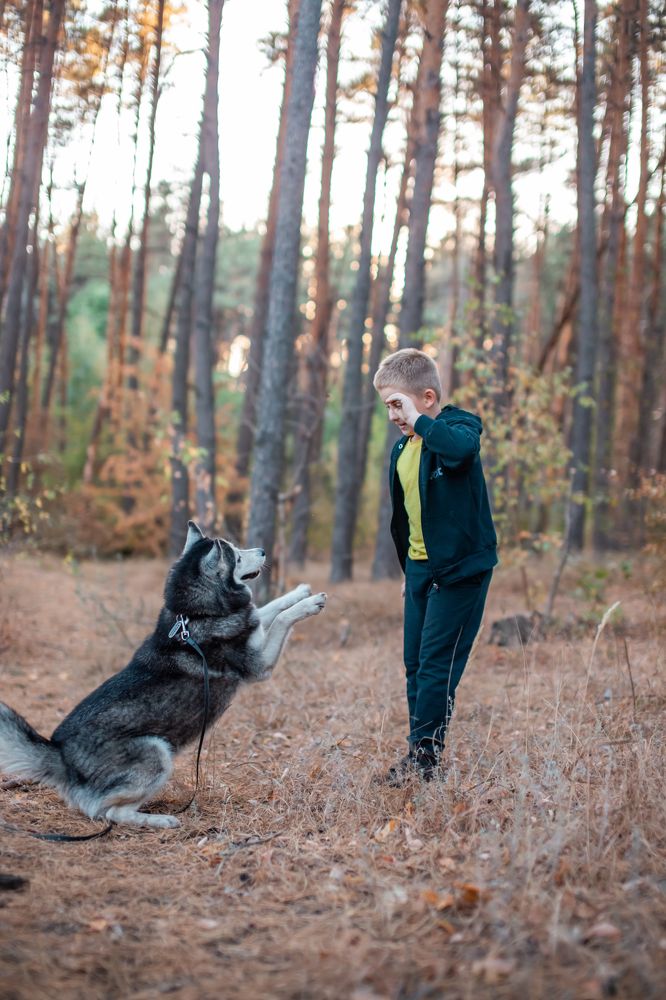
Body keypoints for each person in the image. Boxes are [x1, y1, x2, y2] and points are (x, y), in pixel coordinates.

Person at [373, 348, 498, 784]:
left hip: (461, 570)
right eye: (387, 406)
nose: (393, 415)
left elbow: (461, 451)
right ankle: (419, 753)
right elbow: (408, 516)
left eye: (398, 404)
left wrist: (423, 422)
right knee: (415, 664)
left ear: (427, 397)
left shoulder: (459, 426)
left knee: (435, 665)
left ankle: (424, 762)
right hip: (423, 570)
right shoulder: (403, 448)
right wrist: (412, 572)